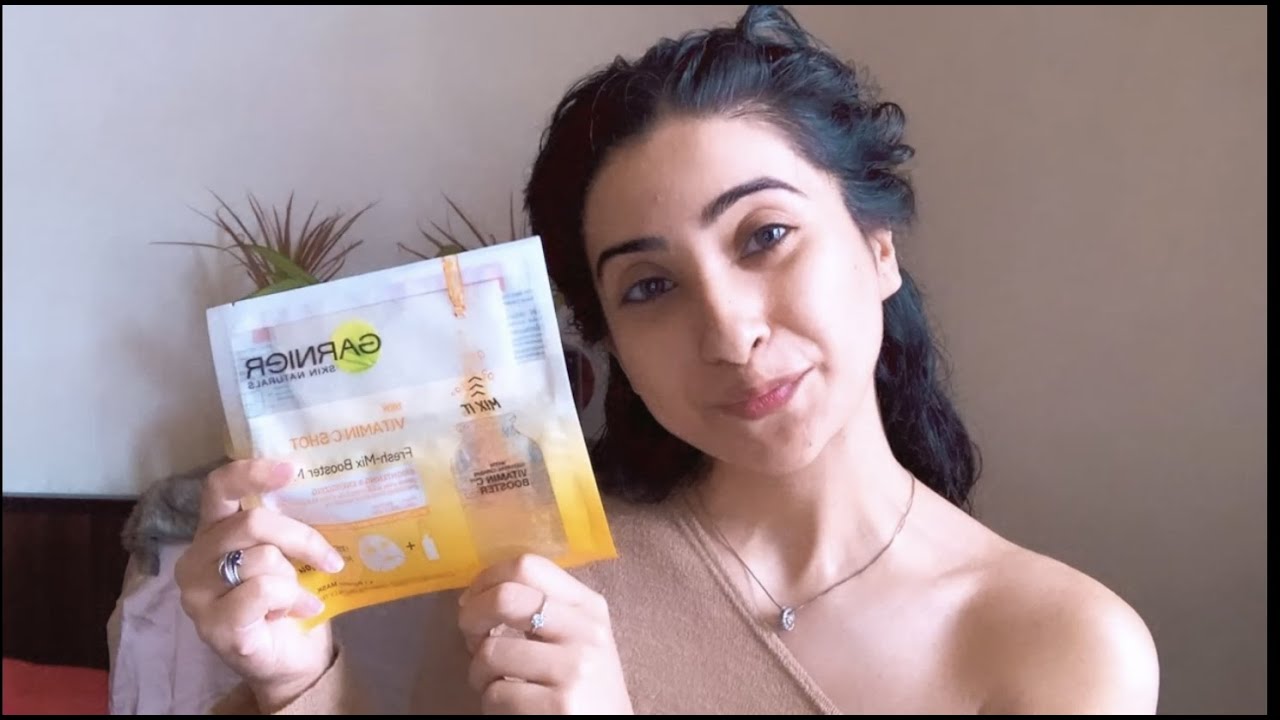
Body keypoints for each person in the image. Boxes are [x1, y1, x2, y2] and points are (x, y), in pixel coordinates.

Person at [176, 5, 1159, 714]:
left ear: (877, 249)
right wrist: (298, 682)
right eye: (648, 287)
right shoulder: (540, 570)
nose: (728, 333)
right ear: (611, 340)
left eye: (764, 236)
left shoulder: (1061, 645)